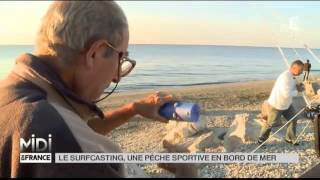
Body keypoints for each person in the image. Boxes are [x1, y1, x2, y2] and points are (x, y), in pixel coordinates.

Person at [0, 1, 196, 178]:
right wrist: (187, 171)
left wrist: (133, 109)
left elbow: (76, 129)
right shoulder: (73, 149)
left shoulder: (14, 91)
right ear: (96, 53)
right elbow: (70, 138)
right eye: (121, 58)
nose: (116, 76)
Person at [258, 60, 304, 145]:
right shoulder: (285, 77)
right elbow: (286, 94)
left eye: (302, 70)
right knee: (270, 124)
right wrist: (298, 90)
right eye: (300, 70)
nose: (302, 72)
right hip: (276, 105)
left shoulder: (293, 76)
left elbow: (293, 86)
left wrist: (299, 85)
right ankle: (261, 139)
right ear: (293, 68)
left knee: (293, 119)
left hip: (287, 105)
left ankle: (289, 138)